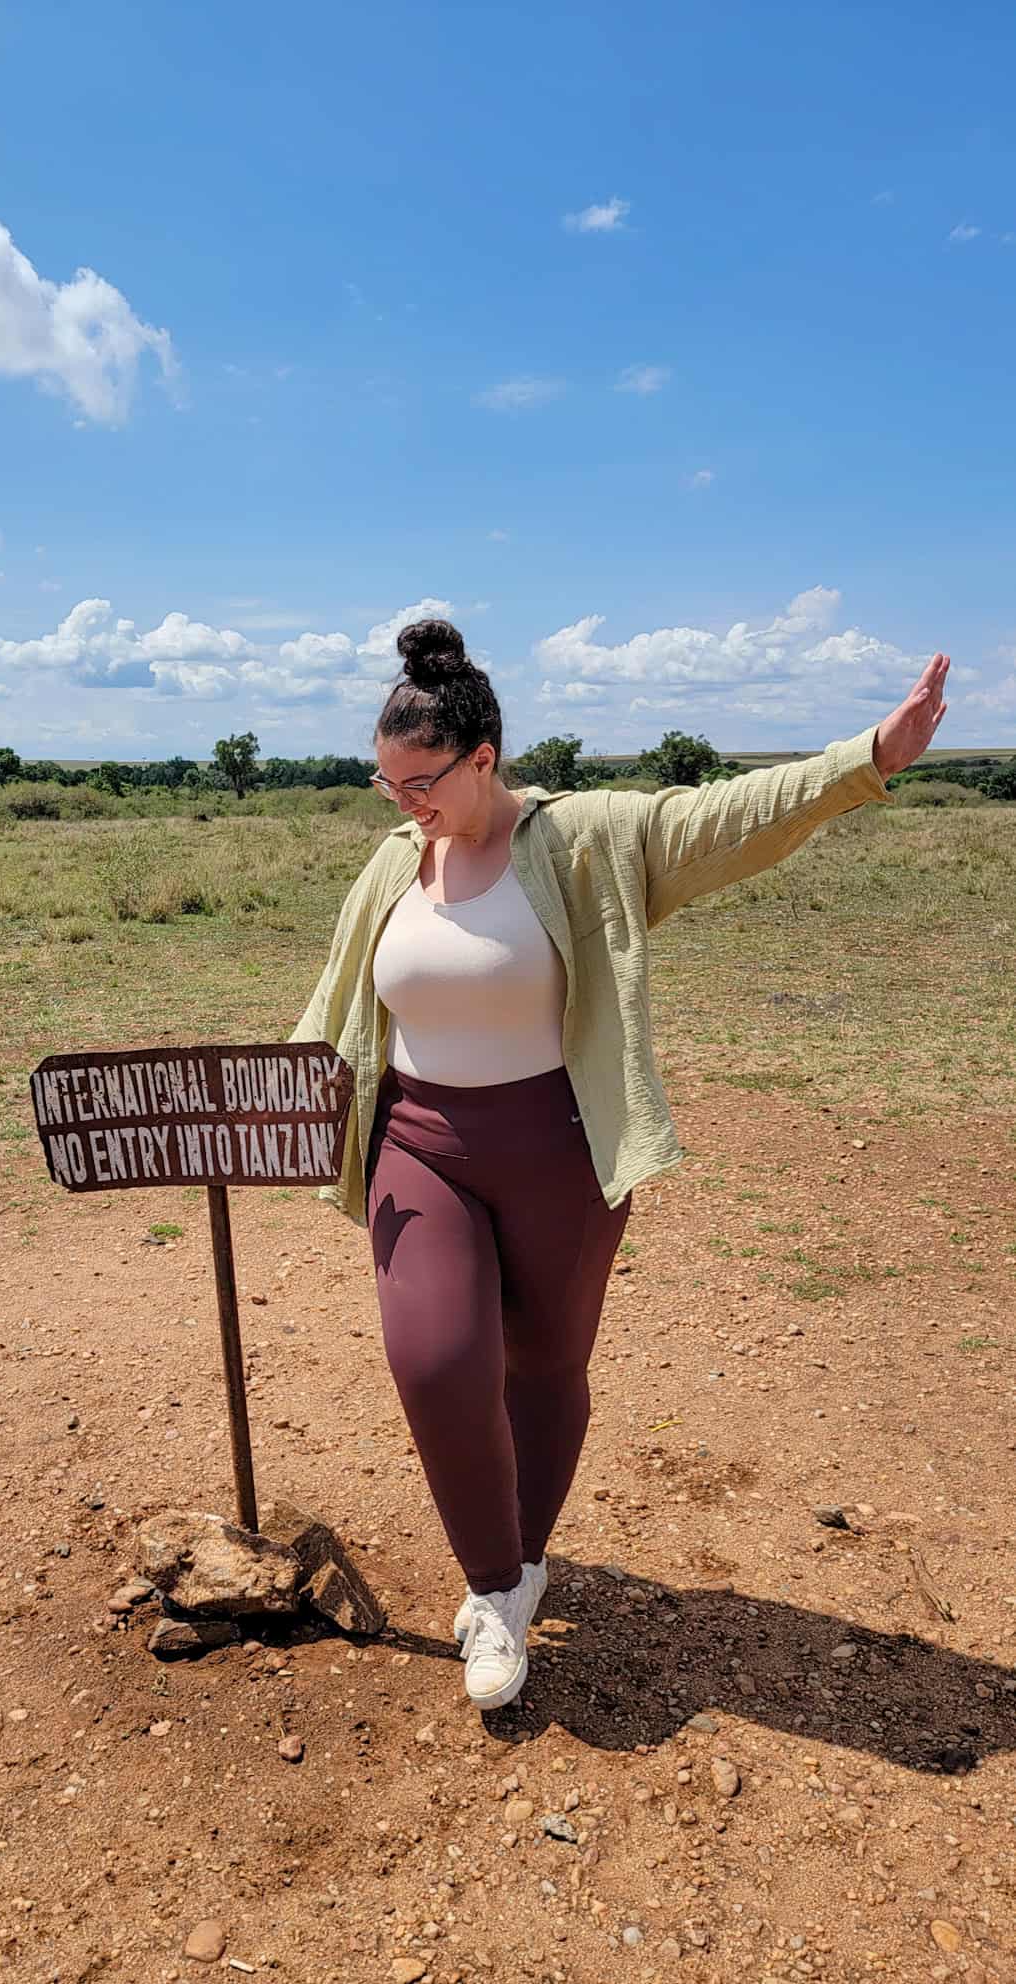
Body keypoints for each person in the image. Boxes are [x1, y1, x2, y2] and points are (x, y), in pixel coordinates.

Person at [290, 618, 949, 1711]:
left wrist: (863, 759)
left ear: (484, 758)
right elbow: (334, 1008)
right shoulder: (391, 865)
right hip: (419, 1143)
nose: (397, 799)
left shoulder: (585, 837)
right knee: (435, 1358)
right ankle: (495, 1586)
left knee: (543, 1363)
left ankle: (521, 1565)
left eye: (417, 780)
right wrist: (274, 1109)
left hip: (558, 1143)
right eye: (384, 780)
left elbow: (721, 821)